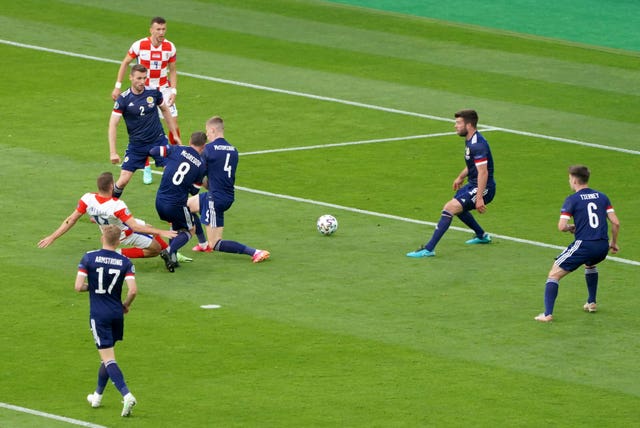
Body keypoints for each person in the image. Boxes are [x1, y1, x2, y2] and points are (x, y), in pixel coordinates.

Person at [534, 165, 620, 322]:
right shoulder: (602, 197)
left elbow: (561, 227)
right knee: (590, 264)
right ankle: (591, 302)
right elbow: (616, 223)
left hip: (585, 245)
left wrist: (568, 228)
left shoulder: (572, 199)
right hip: (602, 246)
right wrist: (613, 243)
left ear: (574, 180)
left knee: (553, 275)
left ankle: (547, 314)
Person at [407, 109, 495, 258]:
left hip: (484, 187)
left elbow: (483, 172)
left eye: (459, 123)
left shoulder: (477, 145)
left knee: (449, 208)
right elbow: (473, 166)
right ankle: (482, 235)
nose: (455, 126)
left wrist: (479, 197)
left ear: (469, 125)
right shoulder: (471, 140)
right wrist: (460, 177)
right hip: (474, 184)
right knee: (458, 206)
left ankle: (429, 249)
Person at [38, 172, 176, 260]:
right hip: (124, 233)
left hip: (109, 230)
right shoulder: (117, 205)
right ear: (111, 186)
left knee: (148, 226)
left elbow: (71, 220)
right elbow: (134, 227)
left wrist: (52, 236)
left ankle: (170, 252)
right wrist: (162, 231)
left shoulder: (87, 199)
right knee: (155, 249)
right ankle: (116, 254)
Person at [75, 224, 137, 417]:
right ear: (119, 241)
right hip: (116, 313)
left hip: (99, 315)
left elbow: (78, 287)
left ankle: (126, 395)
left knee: (108, 358)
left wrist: (92, 287)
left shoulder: (89, 257)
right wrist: (125, 304)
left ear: (103, 238)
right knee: (108, 355)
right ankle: (97, 396)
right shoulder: (125, 261)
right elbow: (133, 290)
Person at [189, 116, 270, 263]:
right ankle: (202, 244)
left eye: (207, 132)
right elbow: (219, 177)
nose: (207, 136)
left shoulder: (208, 150)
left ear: (213, 130)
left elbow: (199, 174)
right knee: (186, 206)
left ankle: (255, 252)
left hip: (215, 199)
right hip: (225, 195)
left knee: (216, 244)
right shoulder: (234, 151)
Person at [111, 16, 181, 184]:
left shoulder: (170, 47)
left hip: (162, 90)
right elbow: (125, 63)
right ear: (151, 30)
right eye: (158, 29)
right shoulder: (139, 45)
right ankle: (146, 166)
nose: (161, 32)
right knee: (141, 128)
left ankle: (176, 159)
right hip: (144, 91)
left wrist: (173, 90)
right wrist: (118, 86)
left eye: (164, 29)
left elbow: (172, 70)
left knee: (174, 125)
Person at [108, 64, 181, 198]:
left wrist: (174, 134)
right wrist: (113, 152)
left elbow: (165, 110)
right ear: (130, 78)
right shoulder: (123, 99)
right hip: (137, 145)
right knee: (123, 180)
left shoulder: (153, 92)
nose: (142, 82)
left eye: (144, 78)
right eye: (139, 78)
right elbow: (113, 124)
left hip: (158, 140)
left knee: (172, 173)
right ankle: (106, 208)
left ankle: (176, 210)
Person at [150, 132, 207, 272]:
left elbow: (153, 151)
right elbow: (194, 192)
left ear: (190, 141)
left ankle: (173, 259)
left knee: (175, 226)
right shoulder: (201, 166)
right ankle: (169, 251)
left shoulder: (177, 149)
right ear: (203, 146)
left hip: (159, 201)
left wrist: (166, 163)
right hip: (176, 204)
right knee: (190, 229)